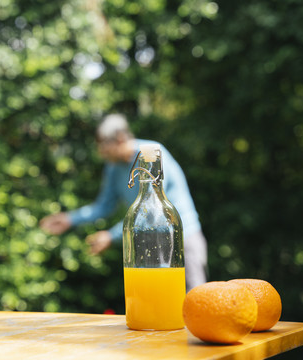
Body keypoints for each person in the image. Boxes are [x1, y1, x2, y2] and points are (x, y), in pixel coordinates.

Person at [40, 113, 207, 291]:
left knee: (195, 299)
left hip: (183, 238)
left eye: (103, 145)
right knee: (157, 306)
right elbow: (104, 206)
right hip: (150, 243)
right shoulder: (113, 167)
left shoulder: (151, 154)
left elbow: (152, 209)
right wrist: (69, 219)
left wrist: (110, 236)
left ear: (119, 138)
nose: (100, 152)